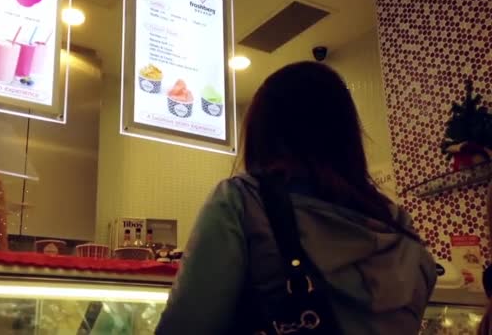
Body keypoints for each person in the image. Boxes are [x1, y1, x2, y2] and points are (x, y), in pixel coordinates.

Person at [155, 62, 437, 334]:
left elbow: (185, 325)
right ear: (346, 134)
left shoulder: (242, 200)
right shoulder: (400, 225)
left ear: (263, 133)